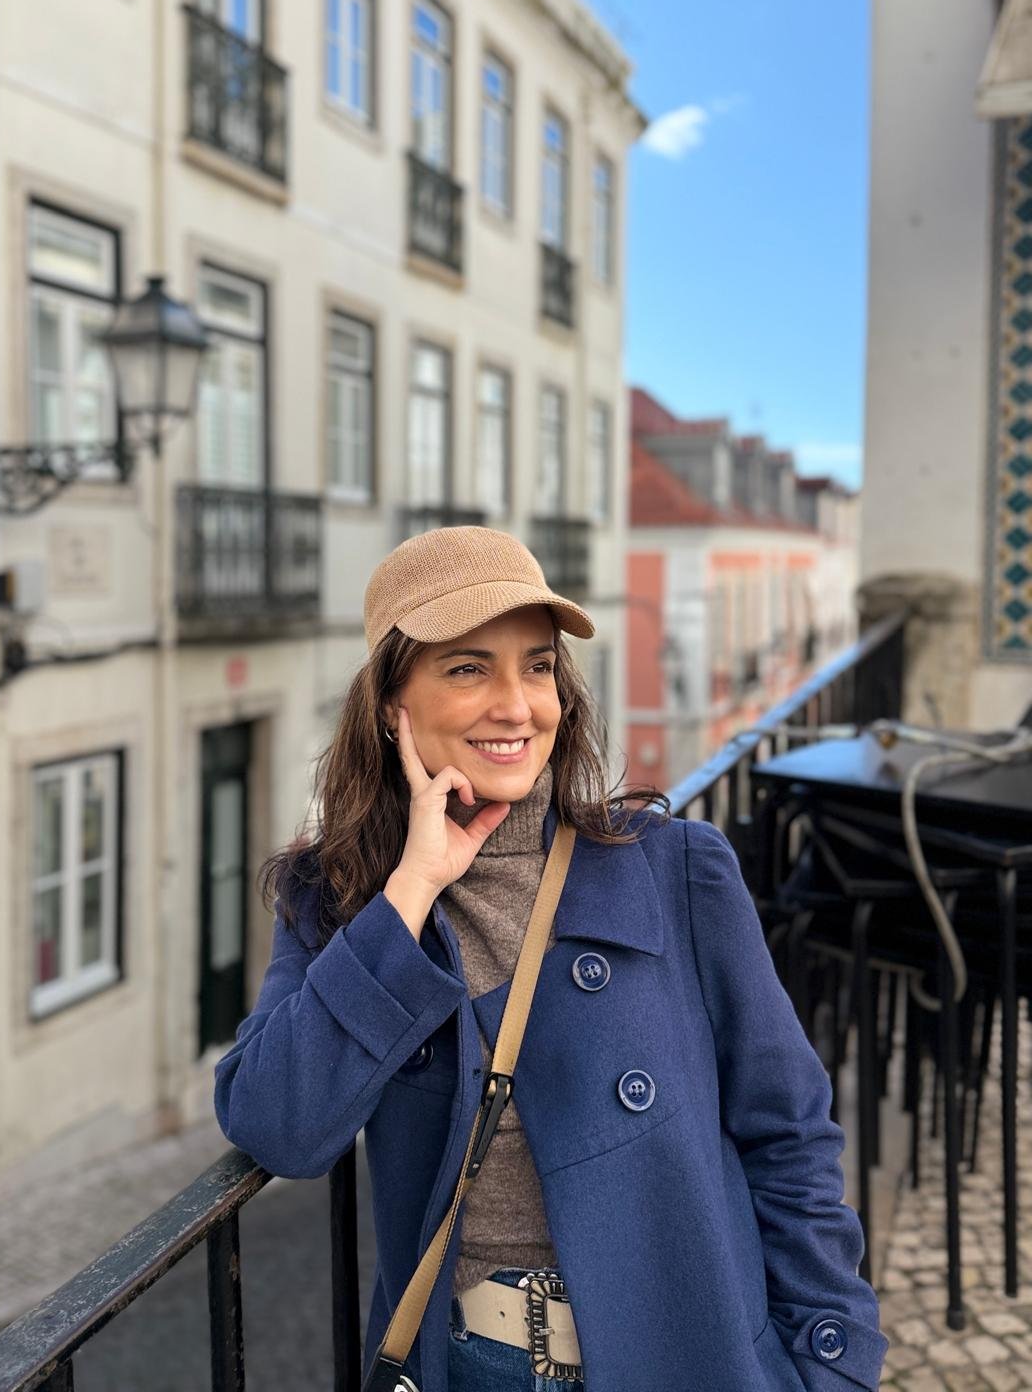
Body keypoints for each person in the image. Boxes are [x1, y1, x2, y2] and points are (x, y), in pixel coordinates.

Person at [213, 526, 889, 1392]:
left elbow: (787, 1130)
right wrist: (412, 888)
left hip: (691, 1353)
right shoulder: (337, 898)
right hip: (469, 1364)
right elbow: (278, 1125)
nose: (515, 703)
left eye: (536, 666)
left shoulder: (672, 868)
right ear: (393, 705)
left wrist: (833, 1359)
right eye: (467, 668)